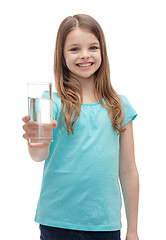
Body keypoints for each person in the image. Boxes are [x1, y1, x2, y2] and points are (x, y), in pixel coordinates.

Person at [22, 14, 139, 240]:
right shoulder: (49, 103)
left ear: (102, 51)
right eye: (74, 49)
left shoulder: (119, 106)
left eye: (92, 47)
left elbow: (128, 170)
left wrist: (132, 229)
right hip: (56, 222)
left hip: (104, 225)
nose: (85, 55)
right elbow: (39, 155)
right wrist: (35, 140)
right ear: (61, 55)